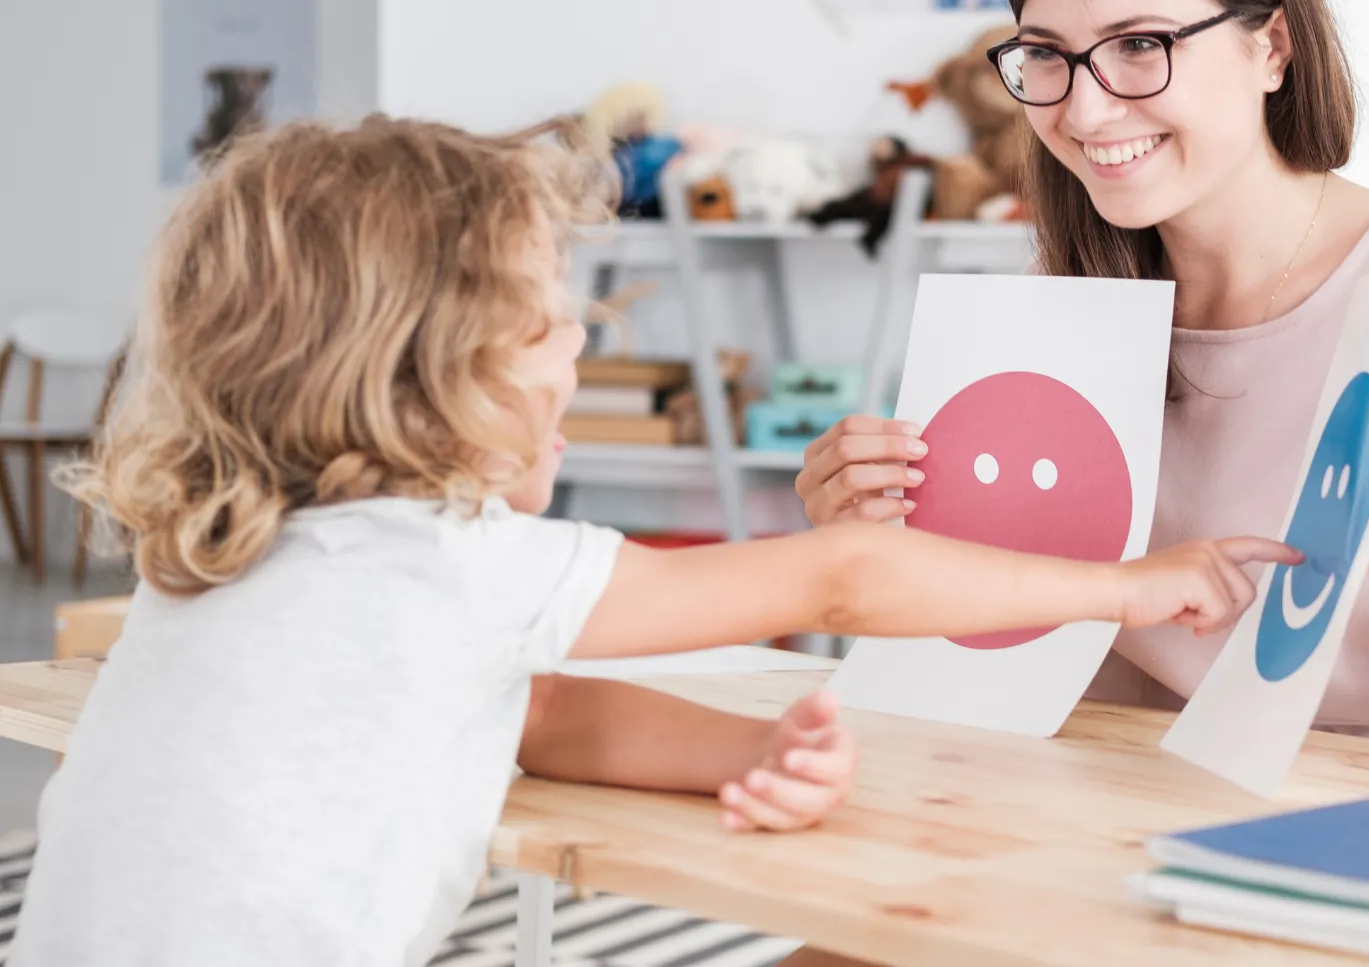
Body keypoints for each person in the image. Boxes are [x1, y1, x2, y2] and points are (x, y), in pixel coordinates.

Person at [9, 115, 1296, 966]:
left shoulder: (239, 565)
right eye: (547, 326)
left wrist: (746, 747)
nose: (581, 347)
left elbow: (537, 716)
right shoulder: (443, 564)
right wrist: (1129, 583)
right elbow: (846, 571)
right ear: (429, 377)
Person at [798, 0, 1369, 775]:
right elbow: (987, 644)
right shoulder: (1064, 296)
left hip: (1343, 825)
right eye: (1046, 55)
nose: (1084, 111)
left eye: (1141, 45)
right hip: (1091, 807)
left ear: (1272, 45)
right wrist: (872, 528)